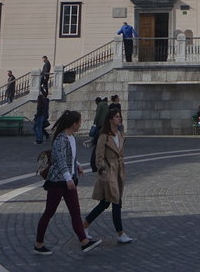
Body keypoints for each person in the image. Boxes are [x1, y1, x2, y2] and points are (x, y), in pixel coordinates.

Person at [34, 110, 102, 256]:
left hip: (69, 180)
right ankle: (39, 244)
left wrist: (77, 165)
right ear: (73, 124)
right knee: (49, 212)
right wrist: (68, 178)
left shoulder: (71, 137)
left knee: (75, 212)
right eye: (79, 122)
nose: (81, 124)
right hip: (58, 182)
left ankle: (84, 241)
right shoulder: (61, 139)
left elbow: (69, 156)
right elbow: (60, 159)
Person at [84, 107, 133, 244]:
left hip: (119, 171)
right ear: (110, 119)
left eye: (120, 117)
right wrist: (103, 170)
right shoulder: (104, 136)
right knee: (116, 201)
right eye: (117, 117)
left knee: (105, 203)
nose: (119, 119)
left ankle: (85, 225)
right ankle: (120, 233)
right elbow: (98, 157)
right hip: (109, 171)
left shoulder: (120, 134)